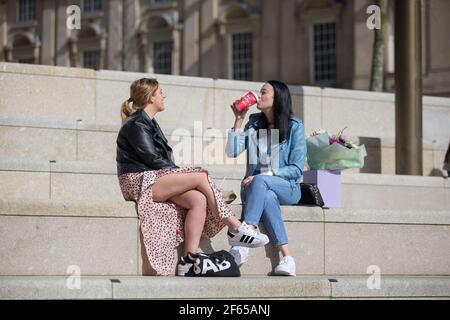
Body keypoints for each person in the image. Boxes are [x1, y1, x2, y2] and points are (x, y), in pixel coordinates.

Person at [116, 78, 269, 276]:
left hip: (155, 178)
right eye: (160, 92)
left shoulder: (151, 123)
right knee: (200, 175)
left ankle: (188, 260)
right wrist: (186, 177)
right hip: (139, 181)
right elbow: (153, 159)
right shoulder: (136, 123)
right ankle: (235, 228)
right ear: (151, 97)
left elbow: (161, 163)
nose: (164, 95)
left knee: (198, 199)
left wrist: (188, 180)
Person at [226, 80, 306, 276]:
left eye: (263, 92)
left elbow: (296, 169)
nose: (258, 96)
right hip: (255, 189)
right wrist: (238, 120)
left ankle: (245, 238)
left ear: (277, 98)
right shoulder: (254, 122)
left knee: (262, 180)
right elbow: (232, 151)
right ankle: (287, 257)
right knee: (268, 196)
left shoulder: (294, 126)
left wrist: (268, 174)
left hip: (288, 188)